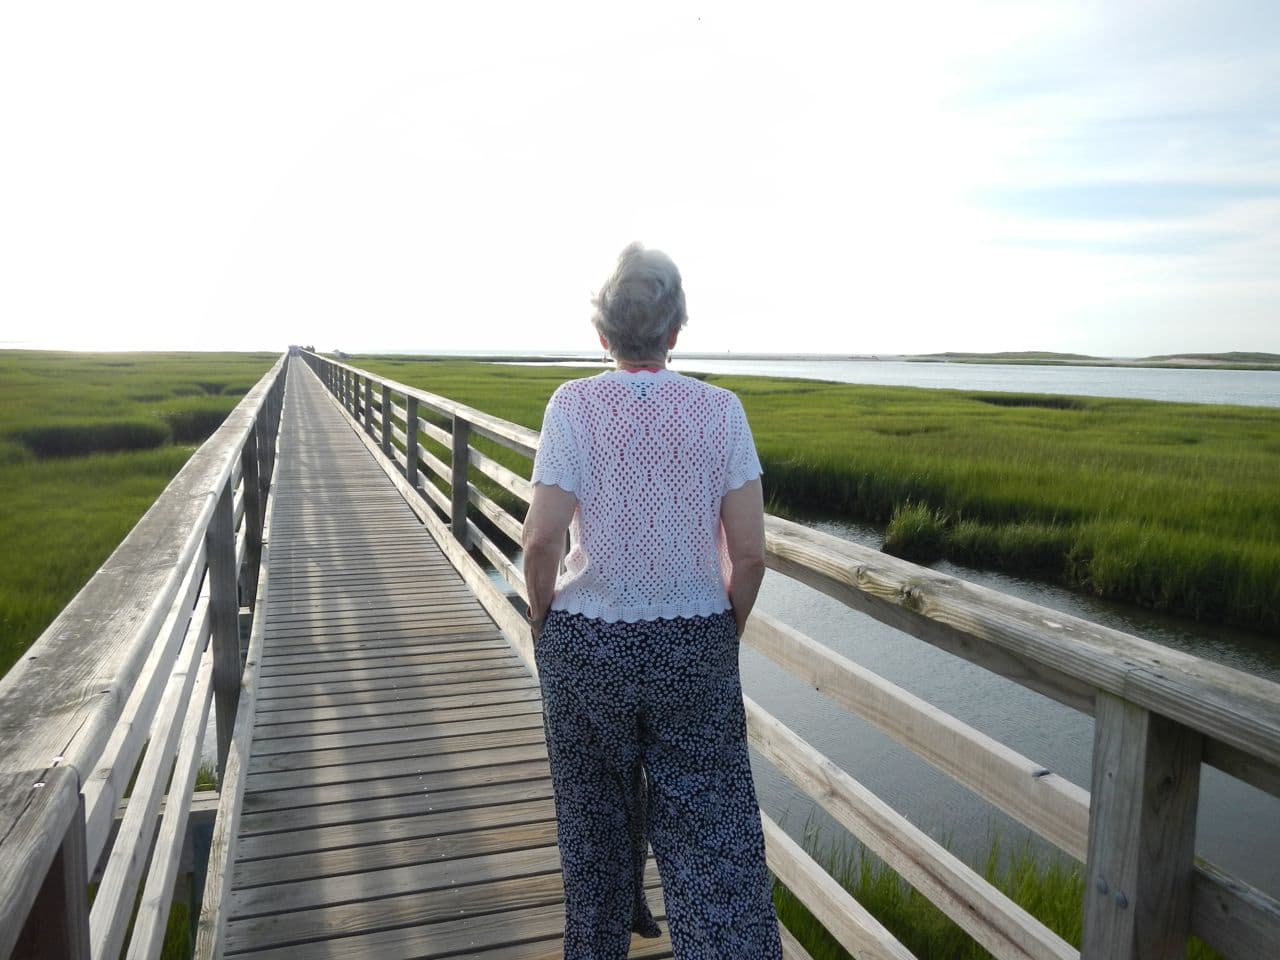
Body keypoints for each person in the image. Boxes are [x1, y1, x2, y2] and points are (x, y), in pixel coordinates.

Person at [522, 242, 783, 959]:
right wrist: (719, 627)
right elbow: (752, 554)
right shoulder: (721, 412)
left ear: (602, 336)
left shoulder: (571, 404)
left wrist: (543, 620)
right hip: (694, 641)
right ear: (677, 331)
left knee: (594, 826)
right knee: (712, 838)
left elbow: (541, 542)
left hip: (586, 645)